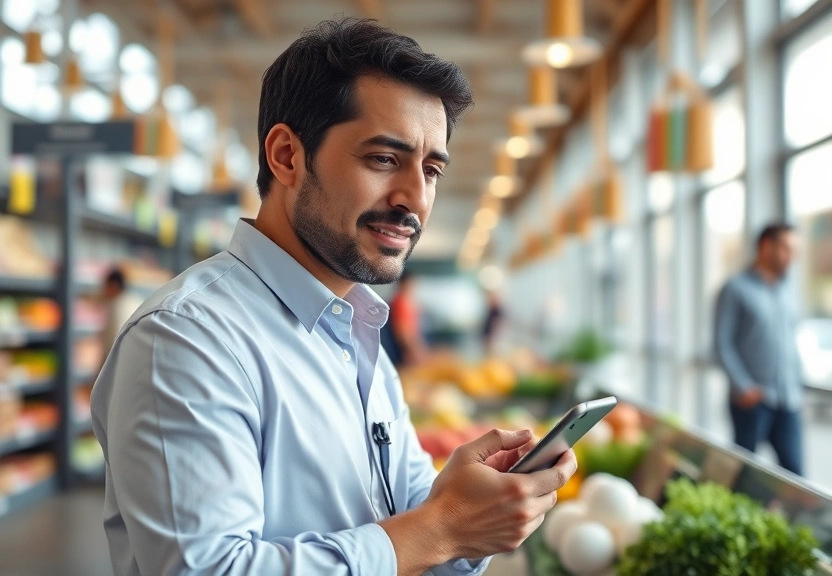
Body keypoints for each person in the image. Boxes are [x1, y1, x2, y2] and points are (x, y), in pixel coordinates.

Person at [91, 19, 577, 576]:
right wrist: (441, 527)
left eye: (432, 168)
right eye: (384, 159)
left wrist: (469, 513)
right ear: (287, 156)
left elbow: (413, 526)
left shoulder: (358, 333)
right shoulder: (186, 338)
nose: (415, 198)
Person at [715, 223, 804, 475]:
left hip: (788, 399)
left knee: (795, 473)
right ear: (765, 247)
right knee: (743, 472)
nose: (792, 257)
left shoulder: (787, 290)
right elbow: (722, 343)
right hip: (753, 400)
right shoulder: (735, 288)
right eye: (786, 248)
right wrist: (743, 387)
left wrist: (798, 384)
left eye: (794, 250)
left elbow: (789, 341)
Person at [388, 270, 428, 367]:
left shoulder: (408, 302)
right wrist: (415, 351)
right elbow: (403, 332)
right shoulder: (400, 303)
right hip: (405, 353)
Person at [99, 267, 142, 357]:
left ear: (114, 286)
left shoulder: (117, 306)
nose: (104, 291)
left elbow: (114, 342)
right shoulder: (134, 301)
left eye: (106, 286)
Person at [481, 290, 504, 355]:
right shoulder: (489, 310)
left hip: (494, 338)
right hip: (487, 336)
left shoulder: (498, 311)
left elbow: (498, 325)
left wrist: (494, 338)